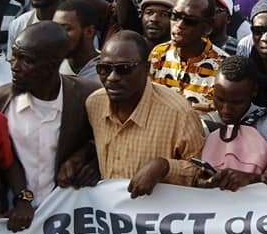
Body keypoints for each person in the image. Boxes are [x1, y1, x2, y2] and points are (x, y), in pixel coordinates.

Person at [0, 22, 99, 222]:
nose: (15, 66)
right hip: (9, 227)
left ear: (52, 64)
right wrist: (19, 199)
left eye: (26, 60)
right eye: (13, 56)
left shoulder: (88, 97)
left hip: (71, 226)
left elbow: (110, 143)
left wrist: (92, 161)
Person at [87, 31, 204, 194]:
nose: (112, 77)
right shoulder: (94, 104)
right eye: (104, 69)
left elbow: (201, 173)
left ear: (146, 69)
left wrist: (164, 167)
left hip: (157, 215)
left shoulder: (179, 114)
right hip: (108, 216)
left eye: (124, 69)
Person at [196, 56, 267, 188]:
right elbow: (190, 175)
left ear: (254, 91)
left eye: (236, 102)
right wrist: (202, 182)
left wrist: (254, 179)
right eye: (220, 100)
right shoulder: (203, 124)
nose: (226, 109)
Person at [148, 0, 225, 113]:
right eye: (175, 16)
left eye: (189, 21)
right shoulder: (158, 53)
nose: (179, 25)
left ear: (207, 28)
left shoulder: (222, 67)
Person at [53, 0, 102, 85]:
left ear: (89, 31)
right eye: (55, 28)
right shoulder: (52, 68)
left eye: (66, 29)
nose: (58, 34)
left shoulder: (107, 69)